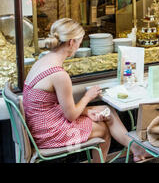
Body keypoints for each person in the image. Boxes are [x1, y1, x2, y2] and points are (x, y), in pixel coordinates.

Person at [22, 18, 148, 163]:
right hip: (48, 134)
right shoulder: (59, 74)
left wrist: (87, 111)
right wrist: (88, 97)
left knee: (106, 111)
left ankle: (137, 150)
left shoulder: (42, 61)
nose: (79, 45)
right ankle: (134, 151)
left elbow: (51, 106)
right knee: (103, 130)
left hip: (40, 124)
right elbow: (70, 115)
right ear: (71, 42)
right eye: (80, 41)